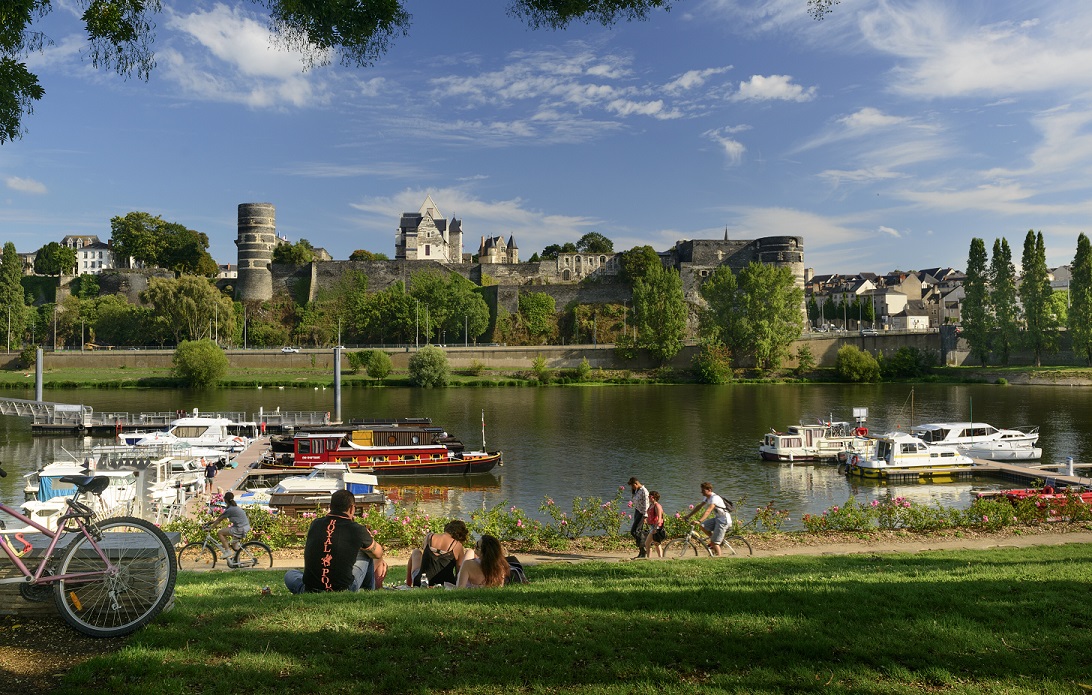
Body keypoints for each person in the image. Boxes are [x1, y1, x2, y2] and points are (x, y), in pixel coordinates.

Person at [284, 489, 386, 593]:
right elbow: (378, 553)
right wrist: (367, 540)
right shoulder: (357, 529)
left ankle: (310, 590)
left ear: (330, 507)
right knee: (368, 552)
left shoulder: (315, 524)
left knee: (290, 575)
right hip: (344, 589)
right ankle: (368, 591)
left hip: (311, 589)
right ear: (351, 509)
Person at [405, 520, 470, 588]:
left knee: (416, 552)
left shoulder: (429, 537)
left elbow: (426, 559)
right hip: (445, 583)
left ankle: (408, 585)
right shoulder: (457, 546)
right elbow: (459, 569)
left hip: (422, 582)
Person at [682, 482, 733, 557]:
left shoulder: (714, 498)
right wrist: (688, 516)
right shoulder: (707, 497)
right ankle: (716, 540)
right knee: (702, 526)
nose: (701, 492)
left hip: (724, 520)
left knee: (714, 543)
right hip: (718, 518)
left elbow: (708, 510)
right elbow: (699, 507)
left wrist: (699, 520)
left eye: (703, 490)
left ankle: (719, 558)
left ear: (709, 490)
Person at [204, 491, 251, 562]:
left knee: (220, 533)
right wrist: (211, 522)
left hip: (240, 528)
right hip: (244, 527)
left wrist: (210, 528)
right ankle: (237, 560)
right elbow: (220, 518)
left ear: (225, 500)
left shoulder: (230, 509)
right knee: (234, 545)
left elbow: (219, 520)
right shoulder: (233, 507)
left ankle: (227, 551)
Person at [627, 476, 650, 559]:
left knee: (635, 531)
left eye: (632, 486)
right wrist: (633, 490)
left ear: (636, 483)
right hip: (637, 511)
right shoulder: (637, 490)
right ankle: (642, 550)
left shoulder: (644, 491)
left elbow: (646, 504)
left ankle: (643, 548)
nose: (632, 487)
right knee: (636, 531)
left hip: (642, 513)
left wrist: (645, 516)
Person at [643, 490, 666, 559]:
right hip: (652, 526)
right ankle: (660, 558)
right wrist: (646, 520)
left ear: (654, 497)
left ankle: (649, 558)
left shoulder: (657, 506)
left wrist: (655, 529)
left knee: (647, 543)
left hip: (656, 526)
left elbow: (659, 518)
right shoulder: (651, 505)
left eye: (650, 496)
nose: (648, 497)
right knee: (656, 543)